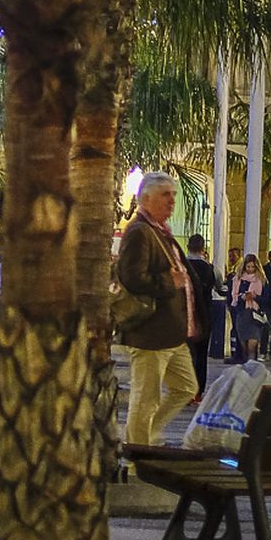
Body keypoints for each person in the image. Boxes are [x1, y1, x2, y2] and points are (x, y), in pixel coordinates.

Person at [115, 172, 201, 449]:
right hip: (151, 332)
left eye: (173, 195)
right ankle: (138, 453)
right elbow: (131, 277)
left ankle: (145, 435)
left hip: (171, 333)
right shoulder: (140, 232)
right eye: (166, 195)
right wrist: (168, 282)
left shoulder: (160, 232)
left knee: (186, 387)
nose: (172, 201)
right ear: (146, 199)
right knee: (145, 398)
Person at [183, 233, 218, 394]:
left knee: (185, 354)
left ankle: (186, 388)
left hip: (184, 315)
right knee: (202, 353)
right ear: (203, 248)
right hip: (203, 315)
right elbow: (219, 285)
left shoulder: (182, 266)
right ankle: (198, 390)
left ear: (188, 247)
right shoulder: (209, 268)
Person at [231, 252, 269, 361]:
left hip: (255, 315)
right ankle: (245, 363)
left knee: (252, 343)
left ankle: (252, 363)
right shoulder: (238, 279)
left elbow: (266, 299)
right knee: (244, 345)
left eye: (253, 267)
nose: (250, 269)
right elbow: (233, 296)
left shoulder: (262, 280)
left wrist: (255, 297)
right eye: (248, 267)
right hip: (242, 314)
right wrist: (242, 297)